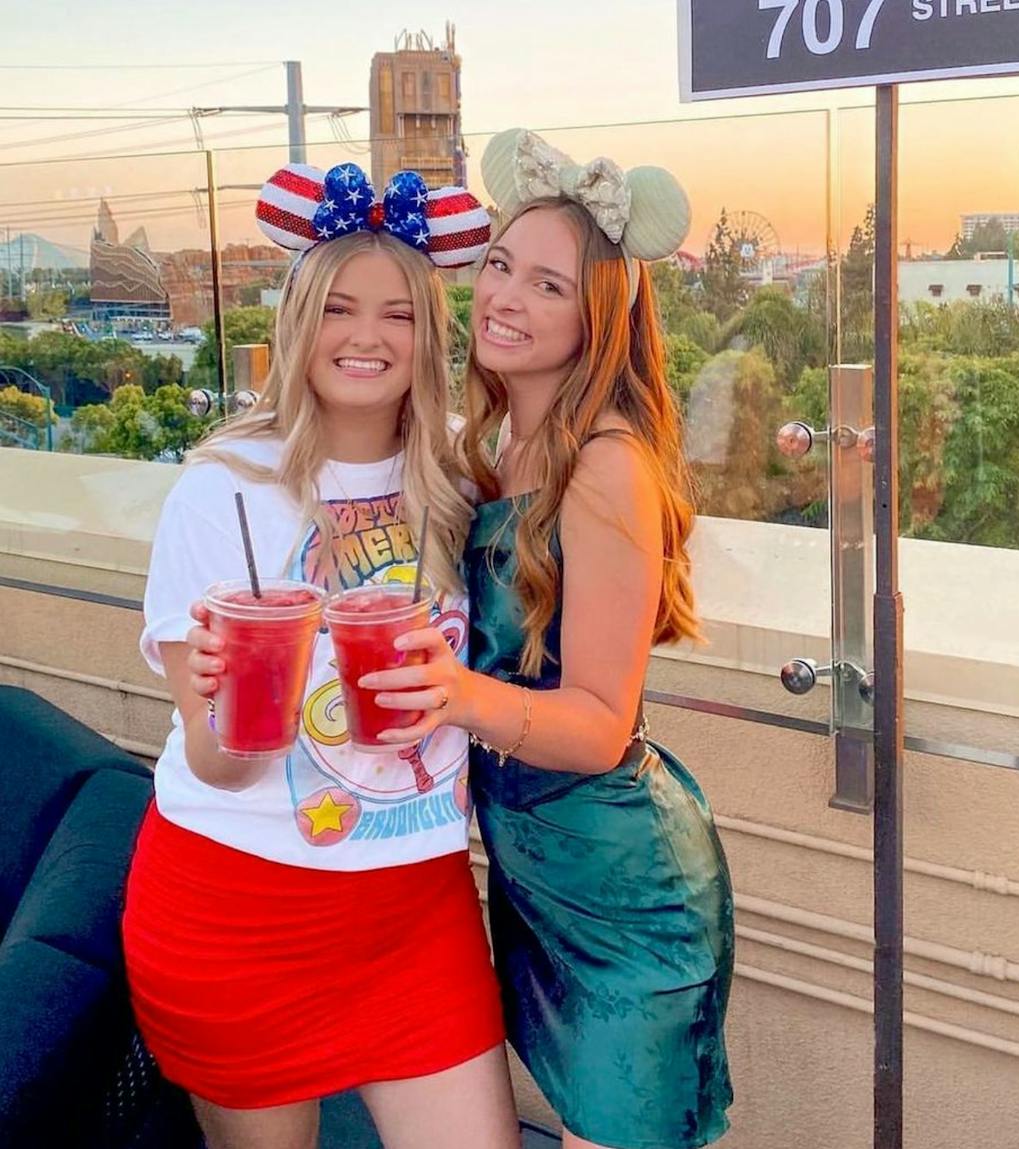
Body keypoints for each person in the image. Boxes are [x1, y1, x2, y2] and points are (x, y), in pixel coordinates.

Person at [121, 161, 520, 1149]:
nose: (368, 336)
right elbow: (220, 760)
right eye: (341, 308)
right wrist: (230, 700)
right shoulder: (219, 492)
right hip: (238, 911)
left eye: (400, 314)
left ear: (430, 337)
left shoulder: (463, 476)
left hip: (415, 910)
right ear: (302, 323)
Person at [359, 130, 734, 1149]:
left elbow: (602, 728)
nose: (507, 300)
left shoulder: (606, 465)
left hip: (622, 889)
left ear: (597, 317)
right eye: (499, 268)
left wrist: (453, 694)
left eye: (550, 287)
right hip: (536, 882)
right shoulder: (495, 448)